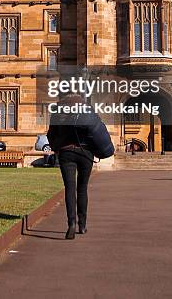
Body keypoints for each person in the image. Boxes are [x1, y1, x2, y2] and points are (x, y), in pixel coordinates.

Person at [47, 94, 95, 240]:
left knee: (70, 188)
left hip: (67, 153)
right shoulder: (87, 109)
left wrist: (57, 148)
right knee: (82, 188)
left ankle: (71, 224)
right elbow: (95, 131)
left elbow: (51, 134)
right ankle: (83, 225)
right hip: (86, 153)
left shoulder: (57, 111)